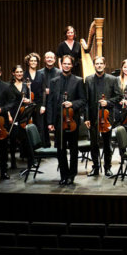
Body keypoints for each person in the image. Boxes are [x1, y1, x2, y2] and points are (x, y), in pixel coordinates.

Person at [47, 55, 86, 185]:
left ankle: (72, 175)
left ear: (72, 65)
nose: (67, 66)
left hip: (72, 121)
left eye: (69, 64)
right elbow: (51, 103)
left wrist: (72, 104)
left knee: (73, 149)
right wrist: (50, 122)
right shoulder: (54, 81)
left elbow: (83, 100)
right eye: (65, 63)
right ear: (61, 64)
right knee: (61, 149)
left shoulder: (79, 81)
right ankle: (63, 175)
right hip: (59, 121)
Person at [84, 56, 121, 177]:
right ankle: (95, 167)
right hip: (93, 116)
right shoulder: (88, 80)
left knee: (107, 144)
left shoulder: (112, 79)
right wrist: (87, 118)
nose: (99, 65)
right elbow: (86, 101)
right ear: (94, 65)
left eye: (101, 63)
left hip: (107, 117)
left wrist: (108, 102)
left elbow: (119, 96)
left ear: (105, 65)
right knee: (93, 144)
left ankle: (107, 168)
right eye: (97, 63)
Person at [38, 52, 61, 146]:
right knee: (43, 125)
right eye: (47, 57)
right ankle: (45, 146)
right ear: (44, 60)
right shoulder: (39, 72)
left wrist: (51, 91)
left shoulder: (59, 72)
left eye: (51, 57)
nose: (49, 59)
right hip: (43, 102)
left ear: (55, 59)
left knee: (56, 124)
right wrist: (43, 90)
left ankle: (58, 147)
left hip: (55, 102)